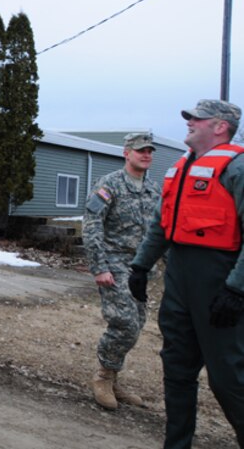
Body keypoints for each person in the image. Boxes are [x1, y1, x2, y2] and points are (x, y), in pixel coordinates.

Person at [129, 100, 244, 448]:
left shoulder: (237, 169)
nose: (190, 123)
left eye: (198, 119)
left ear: (220, 126)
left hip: (220, 280)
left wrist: (237, 290)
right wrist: (140, 265)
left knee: (228, 379)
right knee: (177, 369)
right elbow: (161, 225)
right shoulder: (181, 168)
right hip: (179, 277)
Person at [82, 132, 160, 409]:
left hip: (140, 267)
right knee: (124, 323)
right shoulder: (109, 185)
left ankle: (113, 378)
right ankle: (102, 376)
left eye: (150, 150)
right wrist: (99, 267)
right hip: (113, 263)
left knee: (136, 324)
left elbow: (158, 231)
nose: (146, 154)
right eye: (141, 150)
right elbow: (92, 226)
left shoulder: (153, 189)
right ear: (126, 153)